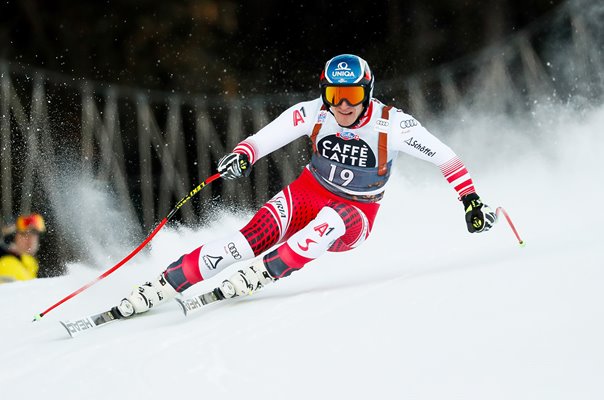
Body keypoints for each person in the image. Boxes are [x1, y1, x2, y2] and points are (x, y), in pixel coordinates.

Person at [114, 54, 497, 318]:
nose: (342, 107)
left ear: (368, 93)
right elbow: (266, 138)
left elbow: (446, 158)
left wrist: (471, 201)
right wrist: (243, 154)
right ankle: (164, 284)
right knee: (243, 241)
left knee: (328, 221)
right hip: (305, 194)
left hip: (355, 214)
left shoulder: (392, 124)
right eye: (334, 96)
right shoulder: (313, 112)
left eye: (351, 97)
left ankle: (264, 271)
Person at [0, 213, 46, 283]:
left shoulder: (29, 264)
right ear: (12, 237)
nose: (31, 238)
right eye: (24, 233)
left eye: (34, 233)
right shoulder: (7, 264)